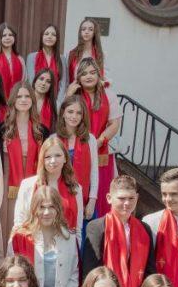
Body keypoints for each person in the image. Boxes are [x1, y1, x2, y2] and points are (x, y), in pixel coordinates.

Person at [81, 175, 157, 287]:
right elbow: (91, 272)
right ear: (109, 198)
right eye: (121, 198)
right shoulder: (96, 227)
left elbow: (150, 271)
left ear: (137, 198)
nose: (127, 203)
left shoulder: (144, 229)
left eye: (131, 198)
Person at [8, 185, 79, 287]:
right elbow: (8, 275)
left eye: (51, 207)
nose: (46, 212)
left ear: (58, 209)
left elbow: (74, 278)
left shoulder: (69, 238)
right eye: (41, 207)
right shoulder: (20, 238)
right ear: (34, 209)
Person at [67, 57, 121, 216]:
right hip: (77, 151)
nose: (88, 76)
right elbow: (65, 120)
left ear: (99, 74)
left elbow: (114, 124)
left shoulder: (109, 94)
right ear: (78, 78)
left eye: (92, 72)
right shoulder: (75, 95)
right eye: (84, 73)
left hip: (102, 152)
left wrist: (97, 142)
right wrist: (69, 94)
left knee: (102, 195)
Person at [14, 136, 85, 239]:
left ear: (65, 158)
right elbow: (19, 223)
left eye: (57, 155)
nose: (53, 161)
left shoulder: (76, 189)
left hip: (65, 247)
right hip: (34, 246)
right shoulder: (27, 185)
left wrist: (73, 252)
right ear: (42, 159)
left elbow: (77, 230)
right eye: (48, 157)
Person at [2, 81, 43, 231]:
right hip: (9, 179)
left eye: (27, 96)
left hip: (34, 177)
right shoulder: (2, 128)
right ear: (13, 100)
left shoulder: (41, 129)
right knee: (10, 219)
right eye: (19, 97)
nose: (24, 100)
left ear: (33, 100)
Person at [55, 95, 99, 224]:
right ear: (63, 113)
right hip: (59, 201)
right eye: (70, 112)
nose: (74, 116)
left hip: (84, 202)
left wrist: (92, 200)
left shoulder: (90, 139)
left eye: (78, 113)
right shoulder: (54, 139)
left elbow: (94, 173)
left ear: (83, 116)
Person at [0, 22, 26, 97]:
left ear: (14, 38)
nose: (8, 38)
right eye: (4, 35)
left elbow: (23, 82)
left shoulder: (20, 59)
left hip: (16, 100)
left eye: (10, 35)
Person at [26, 23, 65, 100]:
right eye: (46, 34)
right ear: (41, 37)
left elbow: (63, 83)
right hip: (36, 100)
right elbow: (31, 81)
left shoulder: (62, 58)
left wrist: (58, 103)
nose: (49, 37)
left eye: (53, 35)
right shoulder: (32, 57)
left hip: (55, 101)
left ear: (57, 38)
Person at [66, 17, 106, 85]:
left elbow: (105, 78)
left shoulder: (100, 54)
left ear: (94, 33)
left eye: (90, 29)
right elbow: (67, 78)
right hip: (76, 93)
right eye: (83, 29)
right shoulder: (71, 54)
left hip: (94, 93)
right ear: (80, 32)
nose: (86, 32)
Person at [33, 69, 57, 135]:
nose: (43, 83)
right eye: (41, 79)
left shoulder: (54, 105)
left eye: (48, 82)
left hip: (46, 141)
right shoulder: (25, 100)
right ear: (35, 81)